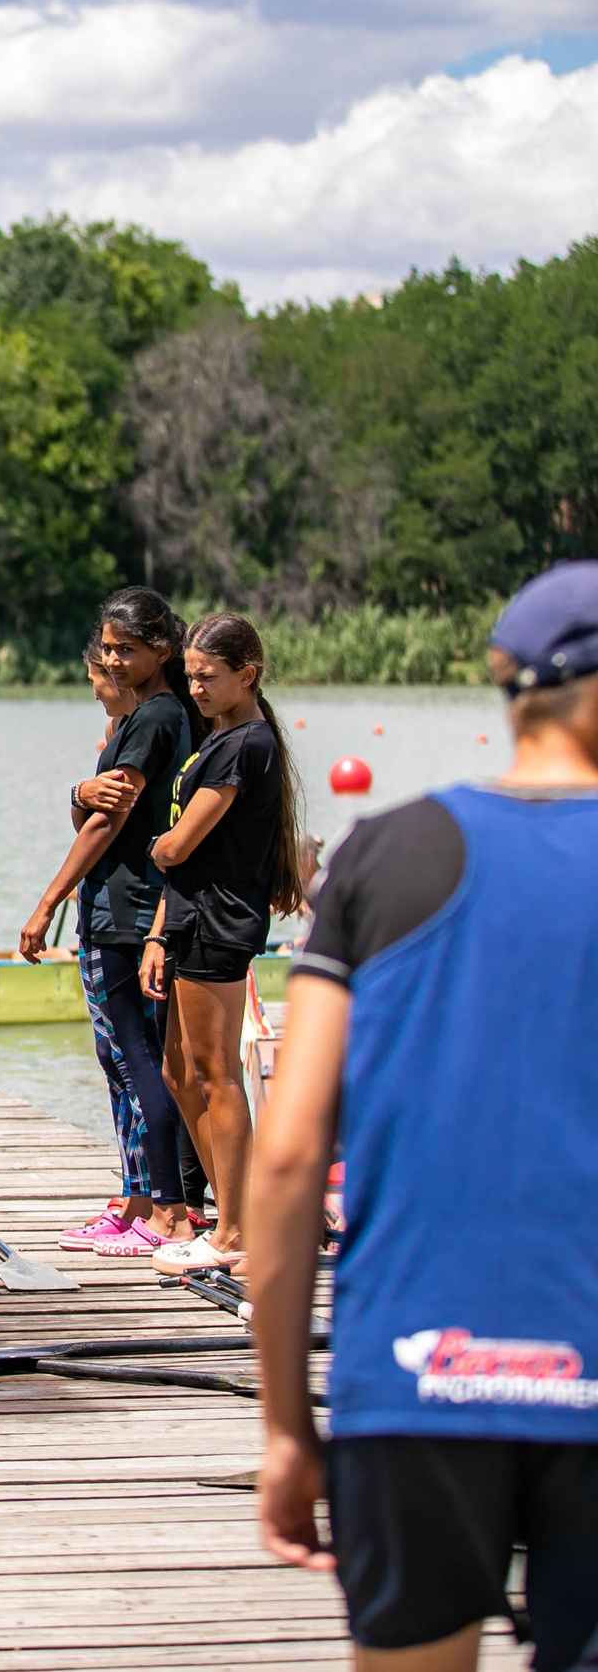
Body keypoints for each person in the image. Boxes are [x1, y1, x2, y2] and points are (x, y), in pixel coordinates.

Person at [253, 561, 598, 1672]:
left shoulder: (384, 852)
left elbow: (289, 1153)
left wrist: (283, 1422)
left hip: (414, 1373)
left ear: (513, 692)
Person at [19, 593, 203, 1257]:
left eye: (126, 648)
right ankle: (138, 1199)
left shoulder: (155, 716)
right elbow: (93, 807)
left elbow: (108, 820)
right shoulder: (162, 712)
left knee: (135, 1063)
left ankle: (166, 1210)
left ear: (161, 647)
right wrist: (77, 793)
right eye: (108, 649)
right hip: (135, 912)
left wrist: (46, 903)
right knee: (127, 1061)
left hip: (124, 915)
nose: (115, 660)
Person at [142, 611, 307, 1276]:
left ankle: (236, 1231)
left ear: (248, 674)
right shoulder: (218, 737)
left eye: (209, 677)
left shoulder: (247, 744)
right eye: (190, 677)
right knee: (178, 1074)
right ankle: (233, 1215)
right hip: (186, 918)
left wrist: (148, 847)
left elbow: (180, 845)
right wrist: (157, 932)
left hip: (218, 921)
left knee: (217, 1077)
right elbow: (183, 858)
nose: (198, 688)